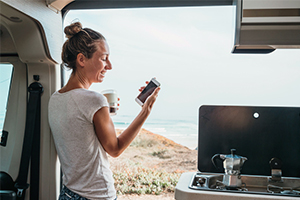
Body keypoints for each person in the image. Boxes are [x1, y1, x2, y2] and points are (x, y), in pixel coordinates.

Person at [48, 22, 160, 200]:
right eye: (103, 58)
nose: (109, 66)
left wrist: (103, 113)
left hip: (68, 193)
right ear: (81, 59)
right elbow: (115, 149)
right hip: (96, 195)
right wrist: (145, 111)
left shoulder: (55, 99)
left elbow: (79, 132)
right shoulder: (94, 100)